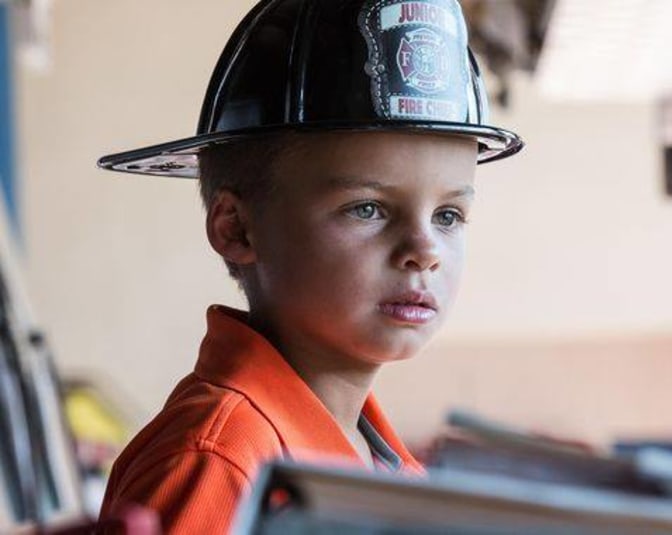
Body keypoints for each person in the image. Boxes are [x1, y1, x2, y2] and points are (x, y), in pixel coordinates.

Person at [96, 0, 523, 532]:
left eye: (448, 215)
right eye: (367, 209)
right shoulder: (221, 462)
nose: (425, 249)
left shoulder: (378, 457)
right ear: (237, 229)